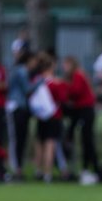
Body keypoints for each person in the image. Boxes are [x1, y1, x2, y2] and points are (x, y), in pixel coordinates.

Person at [61, 56, 100, 185]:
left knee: (87, 140)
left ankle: (91, 168)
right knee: (79, 137)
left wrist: (64, 88)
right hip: (80, 111)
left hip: (85, 110)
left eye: (66, 65)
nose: (64, 68)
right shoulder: (74, 77)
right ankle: (82, 168)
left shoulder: (78, 75)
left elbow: (75, 91)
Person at [29, 53, 65, 183]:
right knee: (50, 144)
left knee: (39, 143)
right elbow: (62, 98)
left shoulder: (37, 81)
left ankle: (37, 169)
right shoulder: (54, 83)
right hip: (53, 116)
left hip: (41, 116)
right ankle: (47, 173)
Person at [6, 47, 35, 176]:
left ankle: (18, 166)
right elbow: (27, 89)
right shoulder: (21, 71)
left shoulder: (23, 72)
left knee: (21, 139)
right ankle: (15, 167)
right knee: (16, 139)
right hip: (16, 107)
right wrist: (42, 81)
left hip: (22, 109)